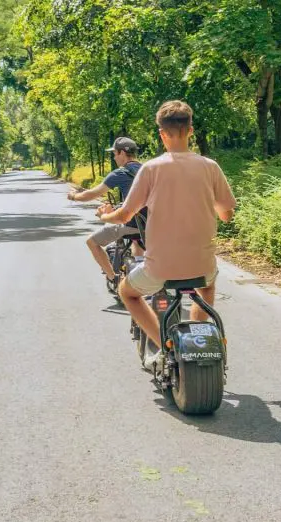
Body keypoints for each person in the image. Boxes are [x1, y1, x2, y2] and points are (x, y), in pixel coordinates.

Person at [99, 101, 236, 370]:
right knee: (206, 287)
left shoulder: (151, 169)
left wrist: (104, 214)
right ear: (191, 130)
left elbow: (125, 215)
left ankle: (166, 347)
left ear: (162, 134)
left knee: (127, 292)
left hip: (160, 267)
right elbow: (226, 214)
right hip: (201, 265)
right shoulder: (210, 167)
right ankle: (197, 340)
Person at [67, 137, 144, 284]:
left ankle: (113, 277)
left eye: (115, 153)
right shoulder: (147, 170)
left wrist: (74, 196)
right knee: (137, 238)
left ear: (122, 153)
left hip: (131, 223)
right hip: (152, 224)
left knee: (92, 242)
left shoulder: (121, 173)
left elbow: (92, 194)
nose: (114, 157)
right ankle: (139, 265)